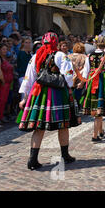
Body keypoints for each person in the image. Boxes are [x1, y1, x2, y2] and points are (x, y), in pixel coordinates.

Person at [18, 32, 80, 170]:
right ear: (56, 42)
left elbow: (28, 78)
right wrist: (70, 86)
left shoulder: (35, 57)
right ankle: (65, 155)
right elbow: (69, 75)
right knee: (63, 125)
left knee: (39, 127)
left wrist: (25, 98)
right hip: (58, 93)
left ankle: (32, 159)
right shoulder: (60, 56)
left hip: (39, 93)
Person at [81, 36, 105, 142]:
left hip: (92, 81)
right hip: (102, 83)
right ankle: (94, 135)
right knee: (99, 109)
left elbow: (85, 72)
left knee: (98, 109)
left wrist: (84, 83)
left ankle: (100, 131)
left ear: (95, 44)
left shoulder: (89, 56)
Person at [0, 44, 13, 125]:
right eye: (3, 49)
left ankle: (1, 116)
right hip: (2, 83)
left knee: (4, 101)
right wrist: (2, 81)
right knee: (0, 101)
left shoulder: (5, 58)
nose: (5, 51)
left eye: (6, 49)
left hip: (8, 83)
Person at [68, 43, 87, 107]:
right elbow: (85, 70)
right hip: (80, 79)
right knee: (78, 95)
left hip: (70, 79)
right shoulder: (85, 57)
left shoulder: (68, 56)